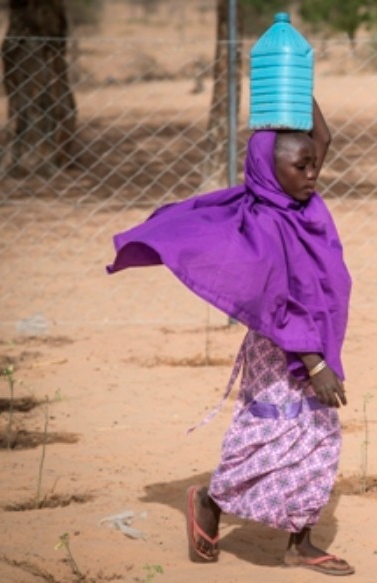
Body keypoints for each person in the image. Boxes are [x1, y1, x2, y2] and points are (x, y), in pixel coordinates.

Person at [106, 106, 355, 576]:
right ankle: (209, 499)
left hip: (317, 342)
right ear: (269, 170)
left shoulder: (302, 205)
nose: (312, 174)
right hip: (284, 348)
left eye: (313, 164)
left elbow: (322, 137)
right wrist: (315, 364)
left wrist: (298, 80)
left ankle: (299, 541)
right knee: (272, 433)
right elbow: (279, 305)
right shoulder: (266, 223)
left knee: (320, 435)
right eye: (300, 168)